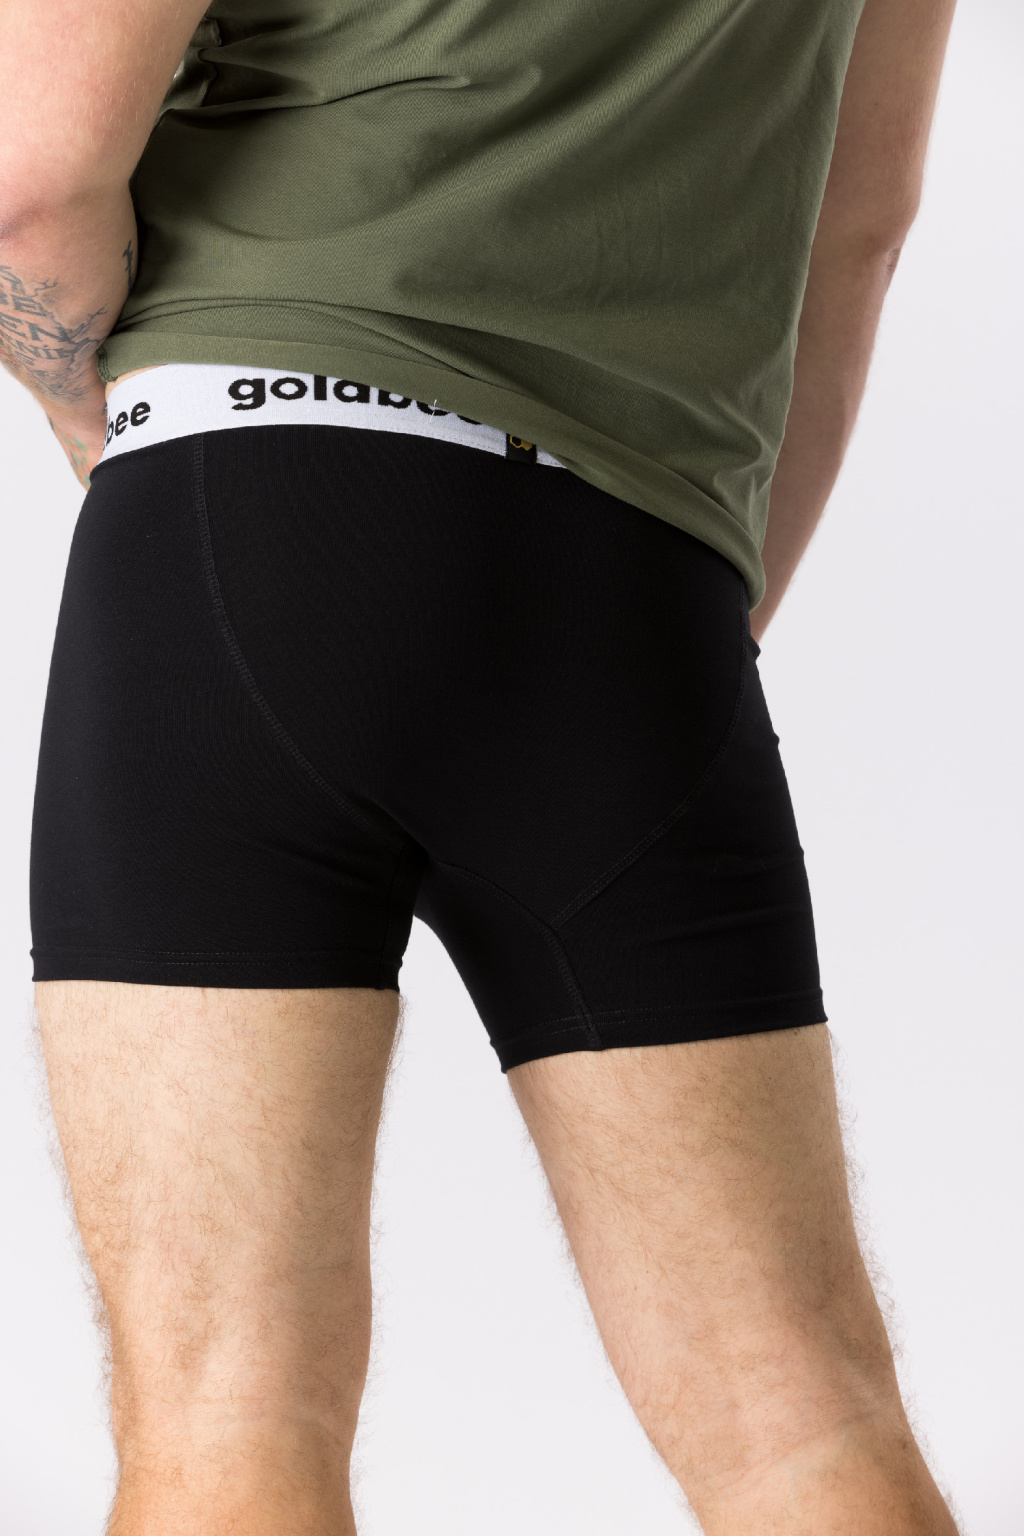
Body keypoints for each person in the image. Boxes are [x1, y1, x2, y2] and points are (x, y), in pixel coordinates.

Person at [0, 0, 962, 1531]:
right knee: (798, 1414)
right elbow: (860, 232)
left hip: (256, 490)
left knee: (229, 1405)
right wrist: (688, 623)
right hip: (635, 578)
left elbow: (33, 178)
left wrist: (105, 437)